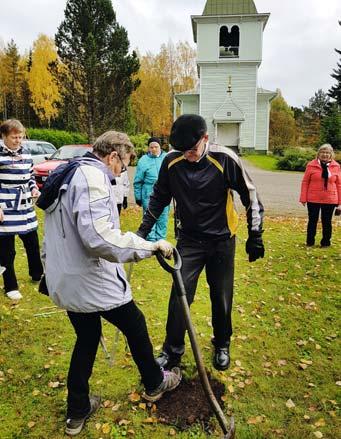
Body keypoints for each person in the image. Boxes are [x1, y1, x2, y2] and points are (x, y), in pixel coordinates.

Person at [41, 130, 181, 436]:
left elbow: (56, 232)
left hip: (68, 275)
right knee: (134, 323)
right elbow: (99, 237)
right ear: (113, 155)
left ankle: (77, 410)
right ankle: (155, 383)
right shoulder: (92, 178)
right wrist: (150, 246)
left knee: (87, 337)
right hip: (89, 277)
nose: (123, 170)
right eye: (125, 162)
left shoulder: (72, 171)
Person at [137, 114, 264, 371]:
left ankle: (222, 344)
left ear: (205, 138)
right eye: (182, 151)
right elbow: (159, 196)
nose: (188, 155)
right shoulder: (172, 161)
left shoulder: (224, 159)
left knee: (221, 295)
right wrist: (142, 231)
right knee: (179, 296)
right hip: (189, 241)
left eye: (192, 150)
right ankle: (172, 352)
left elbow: (250, 193)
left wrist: (256, 234)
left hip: (221, 241)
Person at [0, 119, 43, 300]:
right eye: (14, 137)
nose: (18, 140)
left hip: (25, 206)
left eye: (20, 137)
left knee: (32, 242)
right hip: (5, 206)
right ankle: (10, 285)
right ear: (3, 136)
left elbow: (30, 175)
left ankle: (37, 274)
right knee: (6, 249)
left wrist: (33, 187)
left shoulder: (26, 153)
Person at [300, 144, 341, 247]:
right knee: (312, 220)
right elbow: (305, 182)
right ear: (318, 154)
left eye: (327, 152)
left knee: (327, 222)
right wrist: (303, 198)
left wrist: (340, 202)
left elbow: (339, 184)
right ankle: (310, 242)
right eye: (323, 152)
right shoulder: (311, 165)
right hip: (313, 198)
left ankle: (326, 242)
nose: (325, 154)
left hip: (330, 199)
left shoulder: (336, 166)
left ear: (331, 154)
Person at [134, 137, 170, 241]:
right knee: (150, 215)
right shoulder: (143, 160)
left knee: (163, 218)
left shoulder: (166, 158)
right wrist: (138, 197)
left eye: (156, 147)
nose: (154, 149)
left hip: (164, 192)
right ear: (148, 148)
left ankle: (161, 239)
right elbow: (138, 181)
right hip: (148, 193)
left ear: (160, 147)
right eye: (151, 147)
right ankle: (151, 241)